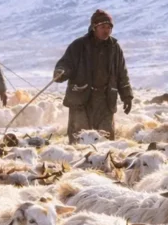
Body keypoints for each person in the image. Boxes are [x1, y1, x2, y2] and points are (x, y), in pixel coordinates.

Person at [53, 9, 133, 144]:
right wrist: (60, 72)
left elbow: (122, 74)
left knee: (105, 140)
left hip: (105, 101)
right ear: (94, 28)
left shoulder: (115, 48)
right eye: (103, 27)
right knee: (80, 139)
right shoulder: (78, 46)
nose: (106, 30)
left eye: (109, 27)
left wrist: (127, 96)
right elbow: (65, 63)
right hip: (81, 99)